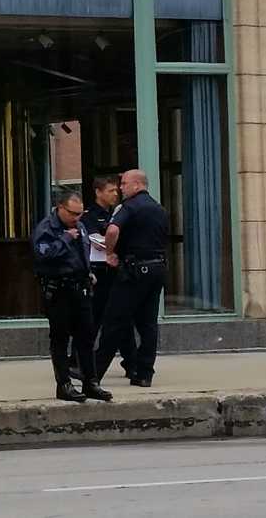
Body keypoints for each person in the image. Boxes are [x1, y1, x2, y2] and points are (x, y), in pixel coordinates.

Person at [32, 191, 113, 403]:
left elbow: (82, 252)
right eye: (72, 213)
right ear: (60, 207)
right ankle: (64, 384)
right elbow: (44, 255)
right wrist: (66, 238)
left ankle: (91, 382)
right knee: (60, 339)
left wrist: (88, 273)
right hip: (59, 290)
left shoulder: (80, 226)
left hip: (81, 288)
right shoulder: (47, 229)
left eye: (80, 213)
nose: (77, 218)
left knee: (86, 337)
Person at [95, 169, 170, 388]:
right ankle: (144, 373)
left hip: (134, 271)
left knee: (114, 321)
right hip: (157, 269)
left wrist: (109, 253)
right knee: (148, 324)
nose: (121, 187)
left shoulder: (130, 207)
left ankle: (95, 373)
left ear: (137, 185)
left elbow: (112, 231)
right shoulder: (159, 209)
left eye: (125, 183)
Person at [76, 175, 135, 379]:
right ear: (98, 192)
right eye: (110, 191)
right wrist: (117, 243)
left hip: (116, 270)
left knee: (122, 318)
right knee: (94, 318)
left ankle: (131, 362)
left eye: (116, 190)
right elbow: (97, 241)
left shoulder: (119, 213)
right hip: (99, 270)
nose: (115, 194)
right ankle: (81, 360)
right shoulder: (89, 216)